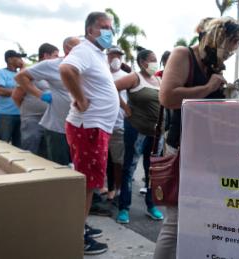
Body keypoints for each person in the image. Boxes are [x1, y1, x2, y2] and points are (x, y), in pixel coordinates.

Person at [154, 17, 239, 258]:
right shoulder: (183, 55)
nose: (232, 52)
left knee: (205, 216)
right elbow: (168, 97)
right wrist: (208, 88)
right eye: (231, 45)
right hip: (182, 149)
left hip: (207, 152)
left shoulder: (212, 65)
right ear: (217, 39)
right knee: (175, 221)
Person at [59, 12, 119, 255]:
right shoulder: (84, 49)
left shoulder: (96, 53)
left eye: (111, 28)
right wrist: (81, 99)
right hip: (88, 127)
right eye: (104, 27)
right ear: (90, 30)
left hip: (95, 128)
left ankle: (80, 226)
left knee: (89, 183)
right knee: (85, 185)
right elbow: (66, 70)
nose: (109, 32)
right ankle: (77, 237)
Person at [115, 47, 164, 224]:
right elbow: (113, 87)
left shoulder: (158, 79)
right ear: (142, 62)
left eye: (155, 58)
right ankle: (123, 208)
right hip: (136, 130)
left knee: (153, 171)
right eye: (151, 59)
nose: (154, 62)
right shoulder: (135, 78)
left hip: (156, 133)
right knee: (130, 168)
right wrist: (125, 107)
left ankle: (151, 205)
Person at [15, 37, 80, 166]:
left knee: (71, 166)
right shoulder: (51, 65)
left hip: (76, 125)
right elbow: (19, 82)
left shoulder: (84, 65)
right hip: (53, 126)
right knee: (51, 164)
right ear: (67, 49)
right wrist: (41, 95)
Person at [12, 43, 59, 156]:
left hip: (49, 120)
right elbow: (16, 96)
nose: (58, 58)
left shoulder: (54, 72)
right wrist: (28, 112)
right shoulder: (31, 71)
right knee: (30, 152)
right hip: (32, 120)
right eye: (55, 55)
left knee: (46, 155)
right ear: (46, 55)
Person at [105, 46, 130, 201]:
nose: (116, 58)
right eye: (113, 55)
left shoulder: (127, 76)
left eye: (119, 55)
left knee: (118, 161)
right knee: (104, 159)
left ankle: (119, 188)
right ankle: (109, 187)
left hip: (119, 124)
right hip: (101, 123)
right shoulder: (102, 73)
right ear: (107, 56)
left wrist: (128, 111)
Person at [0, 50, 25, 147]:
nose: (21, 60)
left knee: (19, 147)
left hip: (21, 114)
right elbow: (1, 91)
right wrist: (21, 91)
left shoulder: (22, 74)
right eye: (18, 57)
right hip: (4, 115)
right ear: (9, 60)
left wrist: (23, 69)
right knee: (2, 145)